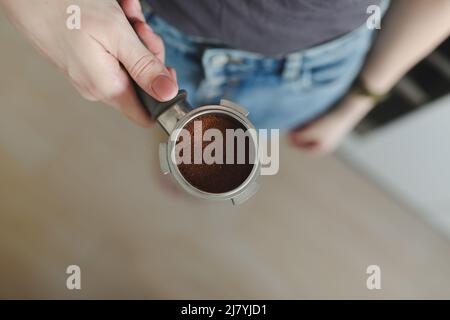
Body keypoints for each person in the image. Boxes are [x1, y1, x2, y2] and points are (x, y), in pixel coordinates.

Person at [1, 0, 449, 155]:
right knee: (171, 144)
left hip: (308, 71)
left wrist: (359, 100)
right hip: (143, 25)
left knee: (221, 155)